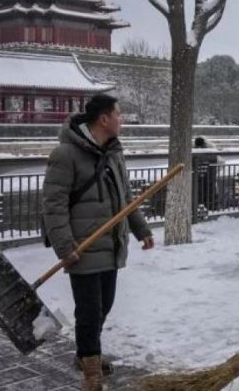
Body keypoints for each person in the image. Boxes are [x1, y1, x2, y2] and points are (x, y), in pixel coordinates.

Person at [42, 94, 154, 391]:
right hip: (82, 248)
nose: (123, 120)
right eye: (119, 114)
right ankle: (91, 375)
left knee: (104, 306)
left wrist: (141, 229)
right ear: (104, 119)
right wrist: (65, 247)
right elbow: (53, 205)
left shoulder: (114, 153)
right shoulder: (65, 154)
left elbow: (126, 198)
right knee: (90, 311)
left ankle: (85, 353)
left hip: (112, 244)